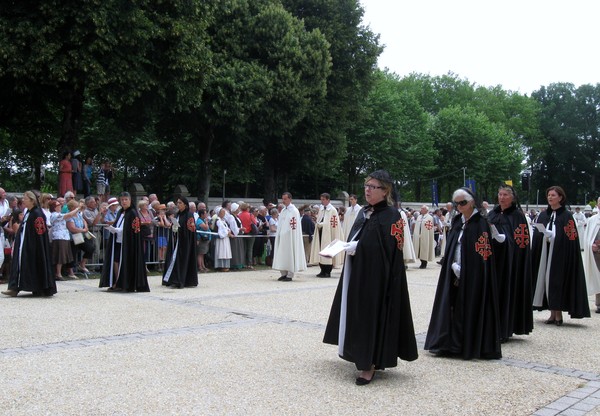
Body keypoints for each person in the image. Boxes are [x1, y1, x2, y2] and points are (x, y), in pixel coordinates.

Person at [323, 170, 418, 385]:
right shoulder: (364, 212)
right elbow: (359, 236)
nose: (367, 190)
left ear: (385, 191)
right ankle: (358, 354)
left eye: (373, 187)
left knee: (372, 315)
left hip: (379, 278)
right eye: (366, 185)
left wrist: (359, 247)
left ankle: (370, 364)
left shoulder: (392, 215)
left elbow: (391, 249)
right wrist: (347, 245)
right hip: (359, 272)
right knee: (357, 314)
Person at [424, 187, 502, 359]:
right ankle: (449, 343)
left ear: (472, 202)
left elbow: (483, 255)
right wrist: (452, 264)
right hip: (454, 269)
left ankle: (466, 345)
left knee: (468, 306)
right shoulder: (458, 221)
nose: (459, 206)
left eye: (463, 203)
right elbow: (453, 245)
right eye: (456, 203)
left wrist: (467, 268)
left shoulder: (480, 223)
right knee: (452, 306)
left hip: (473, 274)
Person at [531, 186, 590, 324]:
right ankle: (552, 313)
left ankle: (558, 314)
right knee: (546, 281)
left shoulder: (567, 216)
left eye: (553, 195)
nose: (550, 197)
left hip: (560, 256)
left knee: (557, 282)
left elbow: (570, 238)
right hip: (545, 254)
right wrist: (544, 236)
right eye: (548, 195)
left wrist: (554, 237)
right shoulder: (544, 215)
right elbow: (538, 235)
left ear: (560, 197)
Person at [487, 184, 533, 341]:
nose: (501, 197)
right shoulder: (492, 214)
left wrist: (505, 240)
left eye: (505, 195)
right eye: (500, 194)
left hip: (509, 263)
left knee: (505, 292)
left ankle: (504, 328)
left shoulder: (517, 216)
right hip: (492, 260)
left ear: (512, 198)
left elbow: (521, 242)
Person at [1, 191, 56, 297]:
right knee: (19, 264)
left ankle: (37, 287)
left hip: (33, 246)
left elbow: (40, 233)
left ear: (32, 200)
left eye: (26, 198)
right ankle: (14, 288)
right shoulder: (29, 212)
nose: (23, 200)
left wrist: (34, 246)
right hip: (24, 244)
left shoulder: (37, 213)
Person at [100, 192, 149, 292]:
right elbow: (119, 224)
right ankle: (118, 281)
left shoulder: (133, 213)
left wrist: (115, 230)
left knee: (125, 262)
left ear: (130, 200)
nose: (124, 202)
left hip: (128, 243)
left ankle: (125, 283)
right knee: (116, 261)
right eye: (122, 200)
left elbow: (131, 230)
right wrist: (113, 228)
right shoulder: (120, 212)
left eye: (126, 199)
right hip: (118, 240)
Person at [162, 196, 198, 288]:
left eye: (180, 203)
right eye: (177, 202)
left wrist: (179, 229)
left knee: (180, 261)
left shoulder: (189, 215)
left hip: (184, 242)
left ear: (185, 205)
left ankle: (180, 280)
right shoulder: (178, 214)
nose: (178, 204)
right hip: (176, 241)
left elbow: (191, 229)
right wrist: (173, 227)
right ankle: (172, 279)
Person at [272, 192, 306, 282]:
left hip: (290, 237)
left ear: (290, 199)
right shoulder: (283, 211)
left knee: (290, 254)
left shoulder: (294, 211)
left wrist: (286, 233)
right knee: (282, 254)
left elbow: (293, 226)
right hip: (282, 237)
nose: (283, 201)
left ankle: (290, 274)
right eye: (282, 199)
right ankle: (283, 273)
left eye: (285, 199)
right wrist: (280, 233)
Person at [309, 193, 343, 277]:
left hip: (328, 234)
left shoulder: (332, 210)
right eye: (321, 199)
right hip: (321, 232)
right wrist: (318, 223)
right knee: (320, 249)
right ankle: (322, 269)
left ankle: (327, 271)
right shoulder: (321, 209)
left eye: (323, 199)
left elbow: (333, 224)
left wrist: (323, 224)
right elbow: (320, 218)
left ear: (328, 200)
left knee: (327, 251)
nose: (322, 201)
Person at [49, 200, 80, 280]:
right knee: (60, 256)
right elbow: (68, 215)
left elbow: (69, 215)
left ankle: (62, 272)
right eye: (58, 205)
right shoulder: (54, 215)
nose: (60, 206)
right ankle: (58, 274)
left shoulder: (60, 214)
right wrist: (78, 208)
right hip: (59, 237)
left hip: (64, 237)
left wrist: (77, 209)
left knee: (64, 256)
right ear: (54, 207)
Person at [66, 199, 95, 274]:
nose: (78, 208)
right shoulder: (69, 216)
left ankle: (82, 264)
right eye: (76, 207)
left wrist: (85, 227)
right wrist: (83, 230)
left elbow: (84, 221)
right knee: (73, 253)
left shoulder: (78, 214)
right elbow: (72, 228)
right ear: (72, 208)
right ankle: (70, 271)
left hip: (80, 237)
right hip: (73, 238)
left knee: (90, 248)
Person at [582, 197, 600, 313]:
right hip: (596, 253)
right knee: (598, 276)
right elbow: (587, 237)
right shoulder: (593, 220)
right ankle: (599, 303)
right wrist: (591, 245)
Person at [214, 207, 233, 272]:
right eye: (222, 212)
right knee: (221, 251)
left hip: (226, 238)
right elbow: (221, 231)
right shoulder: (218, 221)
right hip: (221, 239)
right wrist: (227, 232)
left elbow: (226, 228)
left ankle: (225, 265)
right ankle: (221, 266)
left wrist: (229, 231)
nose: (224, 214)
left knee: (226, 252)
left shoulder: (223, 221)